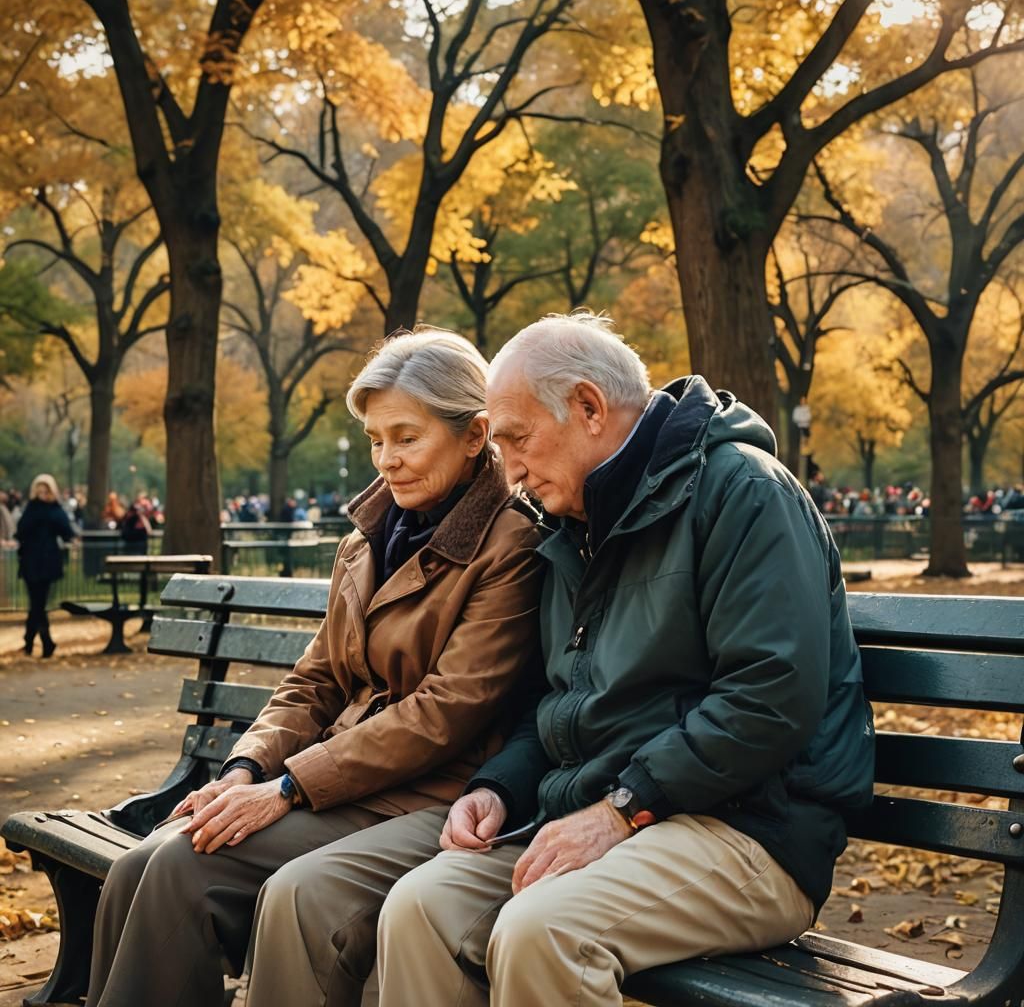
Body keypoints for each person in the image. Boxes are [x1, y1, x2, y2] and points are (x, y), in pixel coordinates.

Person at [310, 311, 874, 1007]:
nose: (508, 468)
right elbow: (557, 703)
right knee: (422, 904)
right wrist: (500, 788)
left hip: (750, 829)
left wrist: (623, 809)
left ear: (589, 408)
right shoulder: (571, 525)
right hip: (613, 810)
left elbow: (768, 697)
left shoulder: (744, 492)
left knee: (542, 932)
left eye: (517, 438)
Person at [85, 329, 545, 1007]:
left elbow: (444, 713)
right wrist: (246, 766)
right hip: (336, 779)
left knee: (182, 868)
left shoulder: (513, 542)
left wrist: (286, 789)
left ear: (476, 435)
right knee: (139, 865)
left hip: (432, 789)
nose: (386, 460)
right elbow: (315, 679)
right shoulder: (366, 538)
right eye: (374, 440)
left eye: (406, 437)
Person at [16, 474, 75, 658]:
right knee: (37, 604)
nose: (42, 494)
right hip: (31, 560)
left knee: (37, 604)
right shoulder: (34, 509)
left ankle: (32, 642)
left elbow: (67, 531)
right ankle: (41, 642)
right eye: (39, 490)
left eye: (45, 490)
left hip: (46, 561)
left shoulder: (52, 510)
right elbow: (21, 531)